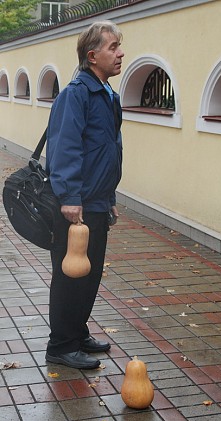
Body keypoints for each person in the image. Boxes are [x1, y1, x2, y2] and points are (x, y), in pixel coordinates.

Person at [45, 21, 124, 369]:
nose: (121, 53)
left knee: (89, 274)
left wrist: (109, 199)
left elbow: (107, 151)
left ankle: (77, 333)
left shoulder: (108, 94)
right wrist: (69, 197)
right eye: (113, 47)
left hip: (96, 201)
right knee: (70, 274)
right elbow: (64, 148)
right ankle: (61, 345)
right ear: (92, 56)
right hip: (76, 205)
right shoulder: (76, 94)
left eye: (120, 45)